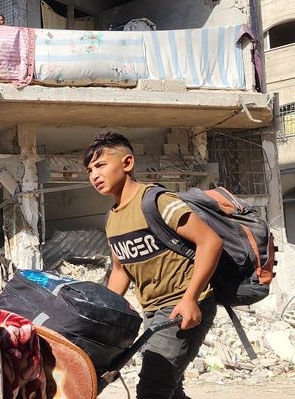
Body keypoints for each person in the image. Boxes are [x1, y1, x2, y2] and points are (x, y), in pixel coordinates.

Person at [86, 131, 223, 399]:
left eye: (100, 165)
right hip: (153, 311)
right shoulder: (112, 219)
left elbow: (210, 242)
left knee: (152, 388)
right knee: (171, 390)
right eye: (90, 170)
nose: (94, 175)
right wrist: (107, 315)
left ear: (127, 163)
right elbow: (120, 269)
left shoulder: (156, 201)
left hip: (183, 305)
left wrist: (191, 298)